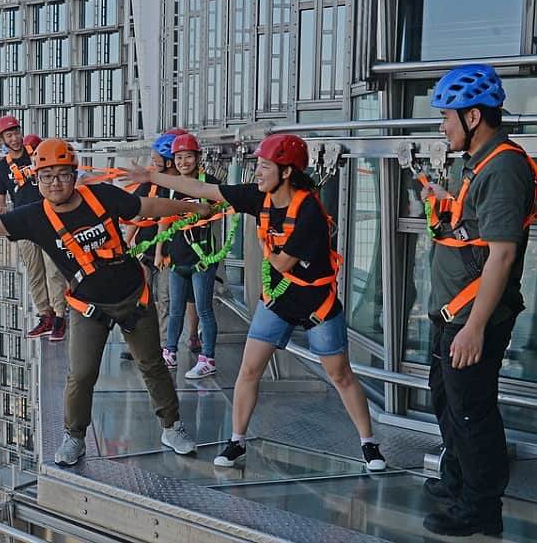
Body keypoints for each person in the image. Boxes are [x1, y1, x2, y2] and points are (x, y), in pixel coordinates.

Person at [0, 138, 206, 466]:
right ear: (37, 180)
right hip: (87, 306)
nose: (55, 183)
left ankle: (171, 425)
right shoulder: (35, 217)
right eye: (47, 177)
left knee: (152, 365)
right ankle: (74, 436)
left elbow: (147, 208)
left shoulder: (102, 196)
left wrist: (193, 207)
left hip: (131, 295)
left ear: (75, 175)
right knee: (82, 373)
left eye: (62, 175)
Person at [122, 133, 387, 471]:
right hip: (276, 301)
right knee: (249, 370)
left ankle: (369, 444)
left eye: (264, 167)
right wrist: (152, 177)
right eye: (257, 167)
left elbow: (280, 264)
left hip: (316, 303)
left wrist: (262, 238)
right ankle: (237, 441)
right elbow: (205, 190)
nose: (257, 174)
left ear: (287, 172)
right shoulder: (260, 196)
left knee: (340, 376)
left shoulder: (309, 213)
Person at [418, 64, 537, 537]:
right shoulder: (477, 160)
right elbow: (478, 230)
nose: (442, 125)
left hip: (472, 317)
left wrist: (474, 327)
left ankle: (480, 508)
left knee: (472, 410)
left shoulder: (504, 165)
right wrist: (444, 198)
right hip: (453, 311)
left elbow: (504, 255)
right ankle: (458, 480)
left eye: (446, 116)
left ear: (472, 116)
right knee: (447, 402)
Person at [0, 116, 67, 341]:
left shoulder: (37, 154)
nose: (14, 138)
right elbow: (0, 203)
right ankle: (45, 315)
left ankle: (60, 316)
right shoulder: (0, 169)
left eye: (16, 132)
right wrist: (3, 216)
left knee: (53, 268)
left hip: (49, 218)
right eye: (9, 135)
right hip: (24, 223)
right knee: (34, 271)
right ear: (1, 139)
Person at [120, 133, 200, 361]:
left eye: (156, 162)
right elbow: (136, 215)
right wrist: (127, 243)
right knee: (141, 300)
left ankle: (163, 345)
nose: (152, 166)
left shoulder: (182, 188)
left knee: (165, 301)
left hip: (170, 254)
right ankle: (141, 343)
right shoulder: (151, 185)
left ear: (169, 162)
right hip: (145, 251)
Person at [160, 134, 220, 379]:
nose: (184, 162)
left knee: (204, 309)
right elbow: (164, 220)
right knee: (175, 309)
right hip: (177, 258)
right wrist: (159, 251)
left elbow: (221, 206)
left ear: (197, 158)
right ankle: (170, 351)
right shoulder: (172, 186)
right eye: (179, 157)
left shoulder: (208, 183)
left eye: (188, 156)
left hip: (202, 258)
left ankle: (208, 357)